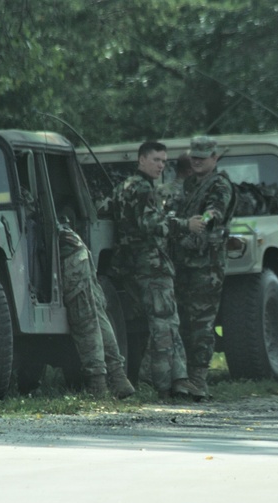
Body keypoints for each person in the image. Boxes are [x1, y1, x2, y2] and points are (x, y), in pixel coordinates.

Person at [109, 141, 203, 400]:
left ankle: (179, 380)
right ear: (141, 160)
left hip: (136, 265)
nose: (161, 165)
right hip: (151, 265)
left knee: (168, 321)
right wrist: (186, 225)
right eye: (156, 160)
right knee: (163, 324)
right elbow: (150, 223)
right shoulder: (141, 188)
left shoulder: (123, 188)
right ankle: (166, 386)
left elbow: (107, 211)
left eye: (164, 160)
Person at [171, 136, 235, 400]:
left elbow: (214, 212)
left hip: (206, 265)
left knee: (202, 324)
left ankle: (199, 379)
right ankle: (185, 377)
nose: (197, 161)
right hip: (184, 261)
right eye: (194, 156)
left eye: (203, 157)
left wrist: (202, 221)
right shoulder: (188, 184)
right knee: (184, 321)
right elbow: (174, 210)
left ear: (215, 158)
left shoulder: (220, 184)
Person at [57, 218, 136, 399]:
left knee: (85, 320)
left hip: (70, 257)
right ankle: (119, 379)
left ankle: (98, 384)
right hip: (78, 253)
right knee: (98, 317)